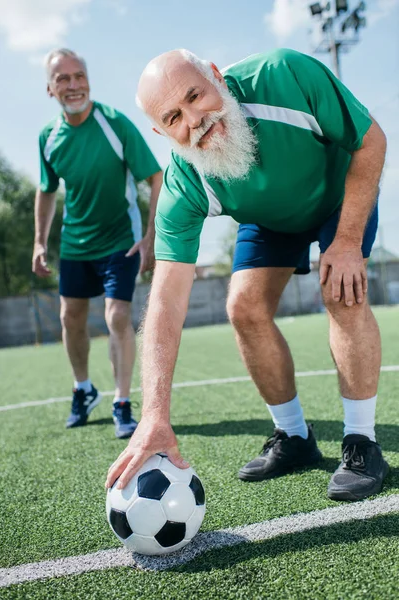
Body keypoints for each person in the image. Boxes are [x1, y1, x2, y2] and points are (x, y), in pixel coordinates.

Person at [106, 48, 388, 500]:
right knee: (244, 308)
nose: (194, 119)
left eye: (196, 95)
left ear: (216, 75)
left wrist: (348, 242)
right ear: (162, 132)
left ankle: (361, 442)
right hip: (271, 219)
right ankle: (294, 437)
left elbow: (371, 140)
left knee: (341, 290)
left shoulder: (286, 76)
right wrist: (153, 415)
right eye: (174, 117)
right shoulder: (184, 182)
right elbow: (165, 297)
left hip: (341, 196)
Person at [32, 48, 163, 439]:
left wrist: (151, 236)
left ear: (88, 80)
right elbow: (46, 190)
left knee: (117, 317)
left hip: (120, 240)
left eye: (78, 76)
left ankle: (122, 402)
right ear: (50, 89)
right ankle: (83, 388)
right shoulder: (49, 137)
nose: (73, 85)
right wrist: (39, 242)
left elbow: (155, 177)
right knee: (69, 318)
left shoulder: (115, 124)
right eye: (63, 79)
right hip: (75, 243)